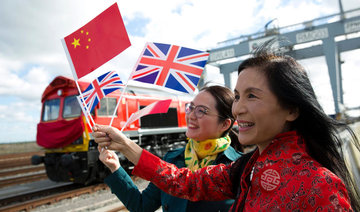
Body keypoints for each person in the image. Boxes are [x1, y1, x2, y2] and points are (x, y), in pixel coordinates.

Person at [93, 40, 360, 211]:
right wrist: (125, 145)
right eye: (238, 96)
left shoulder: (321, 185)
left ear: (292, 109)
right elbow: (180, 181)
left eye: (252, 95)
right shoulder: (244, 169)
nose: (239, 107)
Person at [97, 85, 243, 212]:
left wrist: (125, 145)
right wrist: (115, 168)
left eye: (201, 111)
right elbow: (141, 206)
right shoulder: (172, 159)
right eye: (190, 107)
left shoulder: (237, 167)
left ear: (225, 124)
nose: (191, 115)